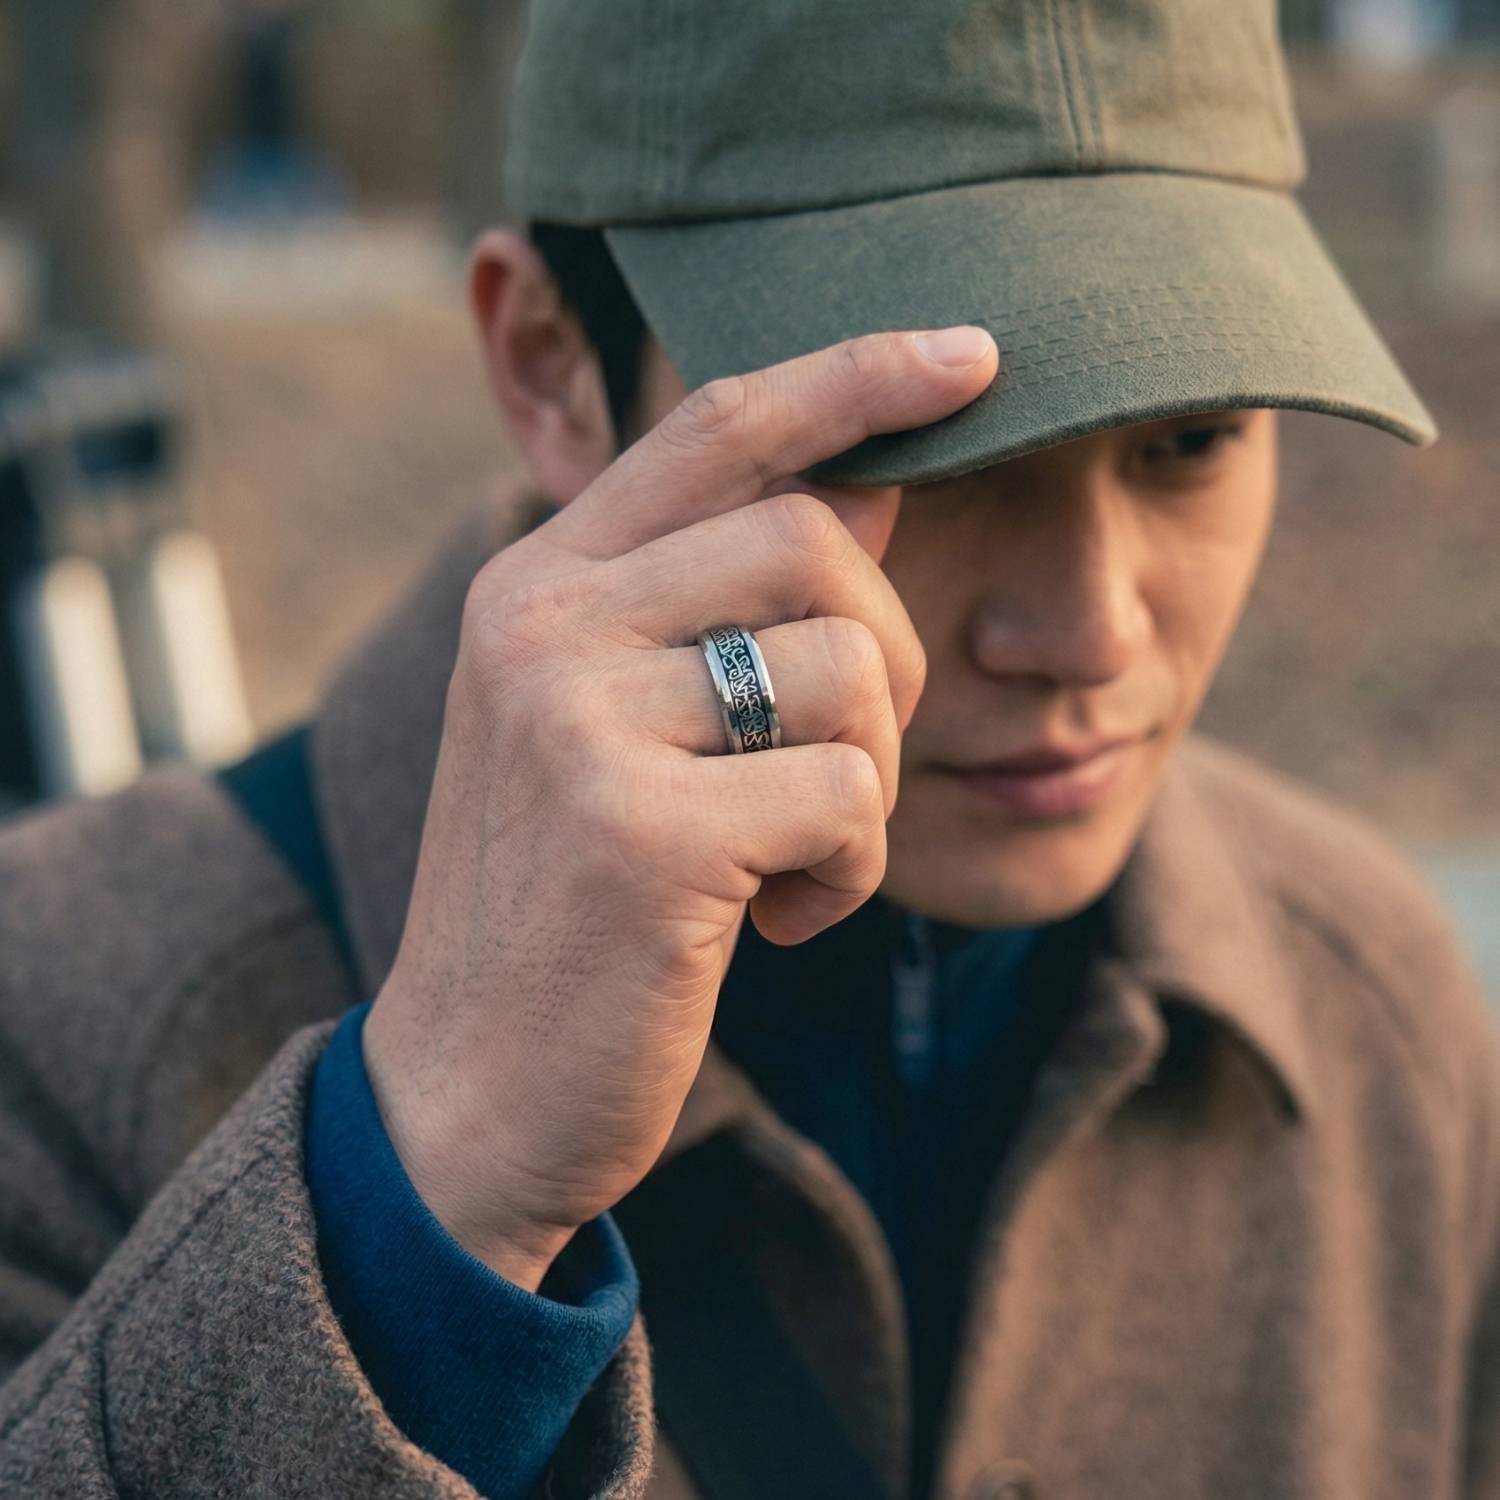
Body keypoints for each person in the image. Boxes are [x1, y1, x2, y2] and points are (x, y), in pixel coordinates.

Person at [0, 1, 1496, 1498]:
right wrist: (421, 1201)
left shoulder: (1378, 1017)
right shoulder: (57, 1014)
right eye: (939, 456)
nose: (1093, 631)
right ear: (549, 363)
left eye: (1191, 441)